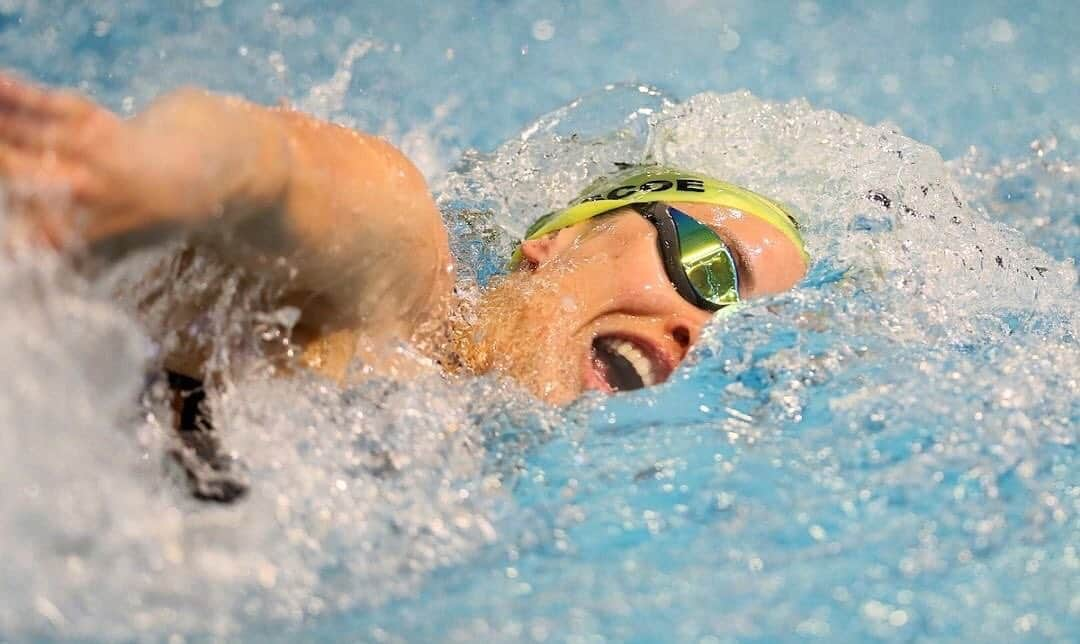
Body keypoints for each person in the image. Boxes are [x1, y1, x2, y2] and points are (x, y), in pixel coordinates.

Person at [0, 74, 809, 407]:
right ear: (557, 241)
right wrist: (151, 173)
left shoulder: (469, 449)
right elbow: (283, 171)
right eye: (710, 269)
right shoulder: (407, 290)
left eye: (745, 332)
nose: (700, 333)